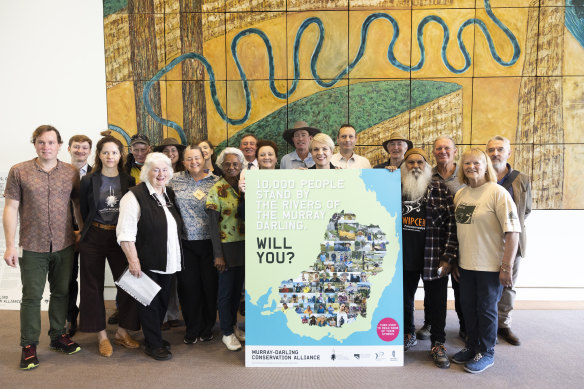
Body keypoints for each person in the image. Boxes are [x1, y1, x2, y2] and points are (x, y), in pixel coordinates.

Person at [3, 125, 82, 370]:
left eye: (50, 142)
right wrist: (9, 245)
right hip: (33, 245)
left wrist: (80, 231)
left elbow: (77, 204)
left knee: (61, 293)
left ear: (60, 145)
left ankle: (58, 336)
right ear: (35, 144)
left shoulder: (71, 172)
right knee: (31, 297)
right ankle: (29, 345)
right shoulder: (19, 171)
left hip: (64, 244)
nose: (46, 147)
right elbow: (11, 208)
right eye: (41, 142)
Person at [452, 148, 521, 374]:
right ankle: (472, 346)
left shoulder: (497, 193)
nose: (471, 167)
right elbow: (459, 233)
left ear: (485, 166)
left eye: (476, 163)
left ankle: (486, 352)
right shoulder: (460, 194)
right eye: (467, 163)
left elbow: (512, 232)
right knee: (468, 308)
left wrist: (506, 266)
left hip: (490, 266)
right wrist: (455, 261)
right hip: (466, 265)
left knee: (486, 310)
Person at [78, 136, 140, 357]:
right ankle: (102, 336)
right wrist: (83, 231)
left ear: (120, 155)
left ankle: (122, 332)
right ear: (99, 154)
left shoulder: (128, 181)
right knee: (92, 286)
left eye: (114, 152)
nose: (110, 156)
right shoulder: (88, 180)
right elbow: (81, 207)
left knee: (128, 282)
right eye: (106, 152)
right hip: (93, 236)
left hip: (119, 237)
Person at [117, 153, 183, 361]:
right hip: (146, 261)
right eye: (156, 170)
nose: (161, 174)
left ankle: (154, 337)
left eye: (165, 170)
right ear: (146, 172)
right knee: (149, 304)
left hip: (168, 260)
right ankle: (153, 344)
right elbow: (125, 233)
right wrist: (133, 260)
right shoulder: (133, 196)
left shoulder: (168, 194)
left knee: (162, 301)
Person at [397, 148, 457, 369]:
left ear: (426, 166)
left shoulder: (441, 189)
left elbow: (452, 225)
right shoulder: (394, 188)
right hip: (404, 257)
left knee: (437, 302)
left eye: (420, 162)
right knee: (404, 300)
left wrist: (448, 257)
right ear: (404, 166)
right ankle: (408, 333)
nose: (415, 166)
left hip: (434, 256)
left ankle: (438, 343)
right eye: (410, 162)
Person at [169, 145, 220, 344]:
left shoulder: (216, 182)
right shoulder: (174, 180)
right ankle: (192, 328)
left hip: (210, 245)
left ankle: (207, 327)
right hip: (185, 243)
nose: (194, 162)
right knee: (188, 288)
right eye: (189, 159)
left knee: (209, 287)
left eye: (197, 158)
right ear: (183, 162)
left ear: (204, 158)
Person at [417, 135, 466, 341]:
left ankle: (465, 326)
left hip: (463, 238)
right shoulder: (428, 176)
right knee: (434, 288)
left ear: (455, 151)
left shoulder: (464, 174)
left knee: (460, 287)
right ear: (433, 152)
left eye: (447, 148)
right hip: (437, 241)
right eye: (438, 149)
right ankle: (430, 322)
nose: (442, 152)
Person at [486, 135, 532, 346]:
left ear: (508, 153)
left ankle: (503, 325)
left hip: (512, 241)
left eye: (500, 149)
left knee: (508, 284)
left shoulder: (521, 179)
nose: (495, 153)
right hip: (485, 241)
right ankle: (485, 325)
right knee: (486, 285)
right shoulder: (480, 176)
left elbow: (527, 210)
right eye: (491, 150)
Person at [205, 148, 246, 351]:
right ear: (221, 166)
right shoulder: (216, 189)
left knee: (238, 291)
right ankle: (227, 333)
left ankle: (234, 326)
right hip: (226, 248)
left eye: (235, 164)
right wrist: (218, 255)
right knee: (225, 292)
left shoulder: (245, 187)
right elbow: (212, 227)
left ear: (241, 166)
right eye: (227, 164)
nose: (231, 167)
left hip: (245, 246)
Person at [154, 137, 186, 330]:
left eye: (173, 150)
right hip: (160, 232)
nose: (170, 154)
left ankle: (173, 314)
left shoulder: (183, 175)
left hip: (178, 232)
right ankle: (162, 316)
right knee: (161, 276)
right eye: (166, 150)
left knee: (173, 278)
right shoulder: (157, 174)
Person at [66, 134, 93, 337]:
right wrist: (72, 231)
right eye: (76, 147)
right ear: (68, 149)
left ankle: (90, 316)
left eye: (84, 148)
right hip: (66, 235)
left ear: (90, 152)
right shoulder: (60, 173)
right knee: (69, 279)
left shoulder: (97, 175)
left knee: (91, 277)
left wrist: (84, 230)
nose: (80, 151)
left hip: (91, 234)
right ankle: (70, 318)